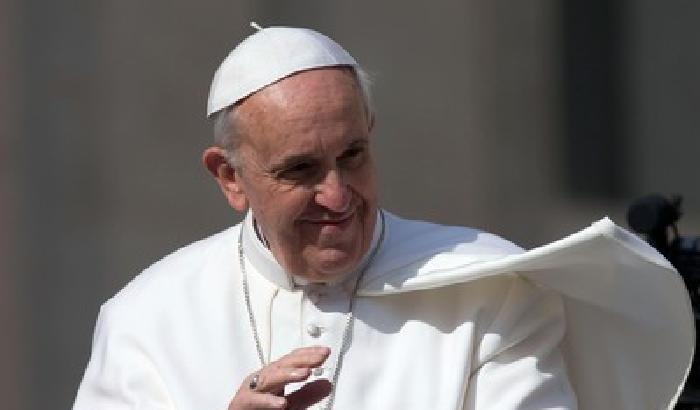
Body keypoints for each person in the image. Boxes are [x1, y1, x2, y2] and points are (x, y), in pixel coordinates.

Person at [73, 25, 693, 410]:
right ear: (230, 177)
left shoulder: (493, 291)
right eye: (301, 171)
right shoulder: (144, 323)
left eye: (352, 156)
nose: (338, 196)